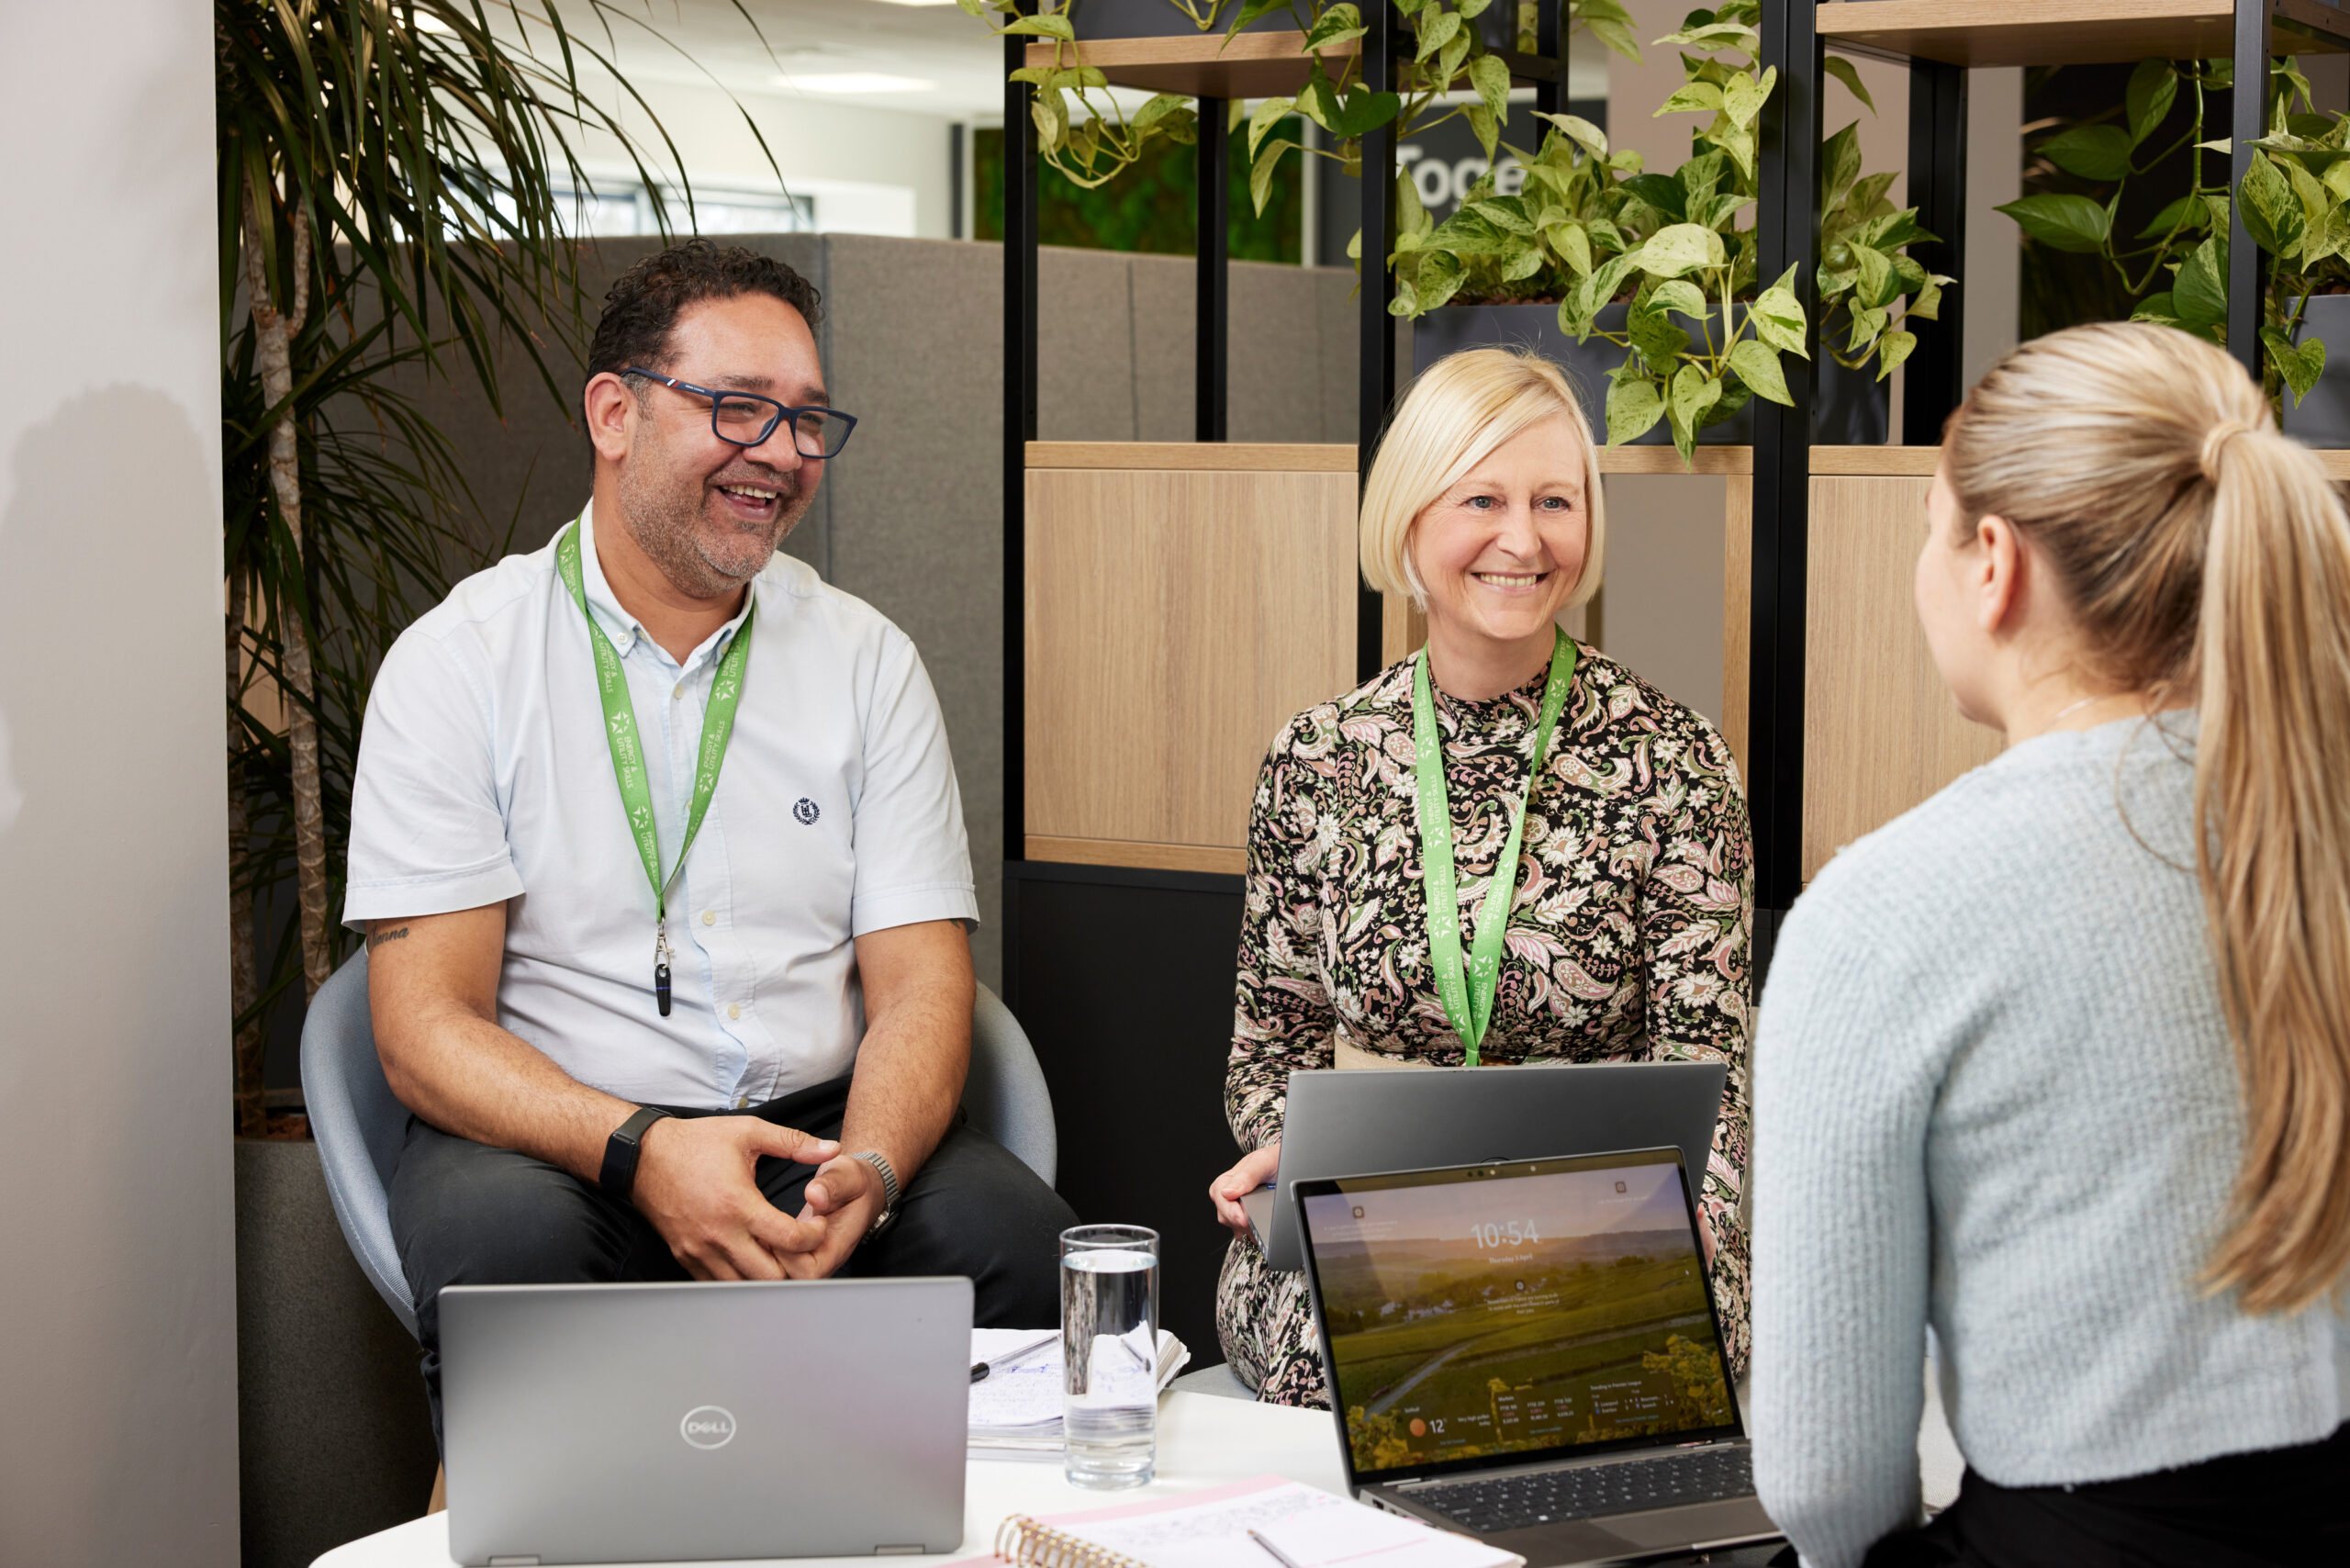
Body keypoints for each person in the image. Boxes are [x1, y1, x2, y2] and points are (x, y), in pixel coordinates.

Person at [345, 240, 1076, 1443]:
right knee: (506, 1261)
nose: (781, 454)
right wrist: (640, 1151)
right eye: (738, 409)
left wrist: (871, 1170)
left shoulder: (864, 663)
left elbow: (925, 987)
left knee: (1017, 1251)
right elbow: (424, 1029)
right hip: (562, 1138)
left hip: (819, 1126)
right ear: (615, 414)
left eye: (804, 421)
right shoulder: (460, 665)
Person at [1750, 322, 2350, 1566]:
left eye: (1931, 526)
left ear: (1994, 566)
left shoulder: (1887, 912)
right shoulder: (2319, 827)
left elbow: (1824, 1480)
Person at [1204, 347, 1755, 1406]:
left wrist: (1687, 1213)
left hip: (1604, 1219)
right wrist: (1288, 1153)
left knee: (1597, 1342)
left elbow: (1712, 1056)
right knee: (1360, 1347)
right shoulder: (1316, 757)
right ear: (1409, 516)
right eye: (1483, 498)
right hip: (1375, 1217)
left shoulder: (1675, 757)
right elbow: (1267, 1043)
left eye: (1556, 500)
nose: (1523, 537)